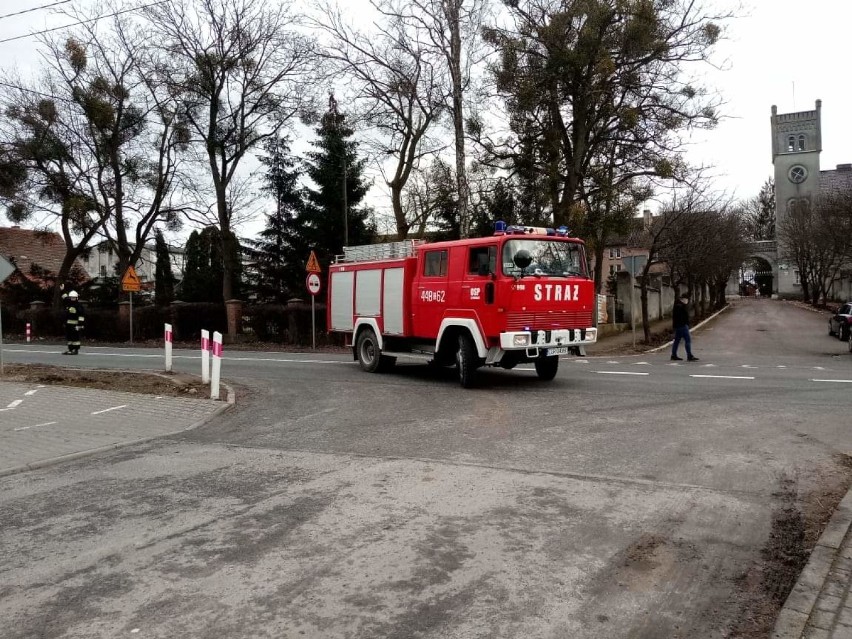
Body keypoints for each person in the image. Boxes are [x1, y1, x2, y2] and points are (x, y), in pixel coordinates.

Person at [671, 295, 698, 362]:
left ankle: (673, 355)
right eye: (686, 299)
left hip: (678, 326)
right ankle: (689, 355)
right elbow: (681, 317)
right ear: (682, 299)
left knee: (677, 341)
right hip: (682, 326)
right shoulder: (680, 307)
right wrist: (685, 324)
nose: (687, 301)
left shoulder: (678, 306)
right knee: (687, 340)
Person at [62, 290, 85, 355]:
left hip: (75, 325)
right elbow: (65, 298)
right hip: (68, 325)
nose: (72, 299)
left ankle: (75, 350)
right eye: (71, 297)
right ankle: (70, 349)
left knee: (75, 338)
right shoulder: (69, 304)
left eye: (74, 297)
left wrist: (80, 325)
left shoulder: (78, 306)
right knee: (69, 337)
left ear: (77, 298)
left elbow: (81, 316)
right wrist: (62, 290)